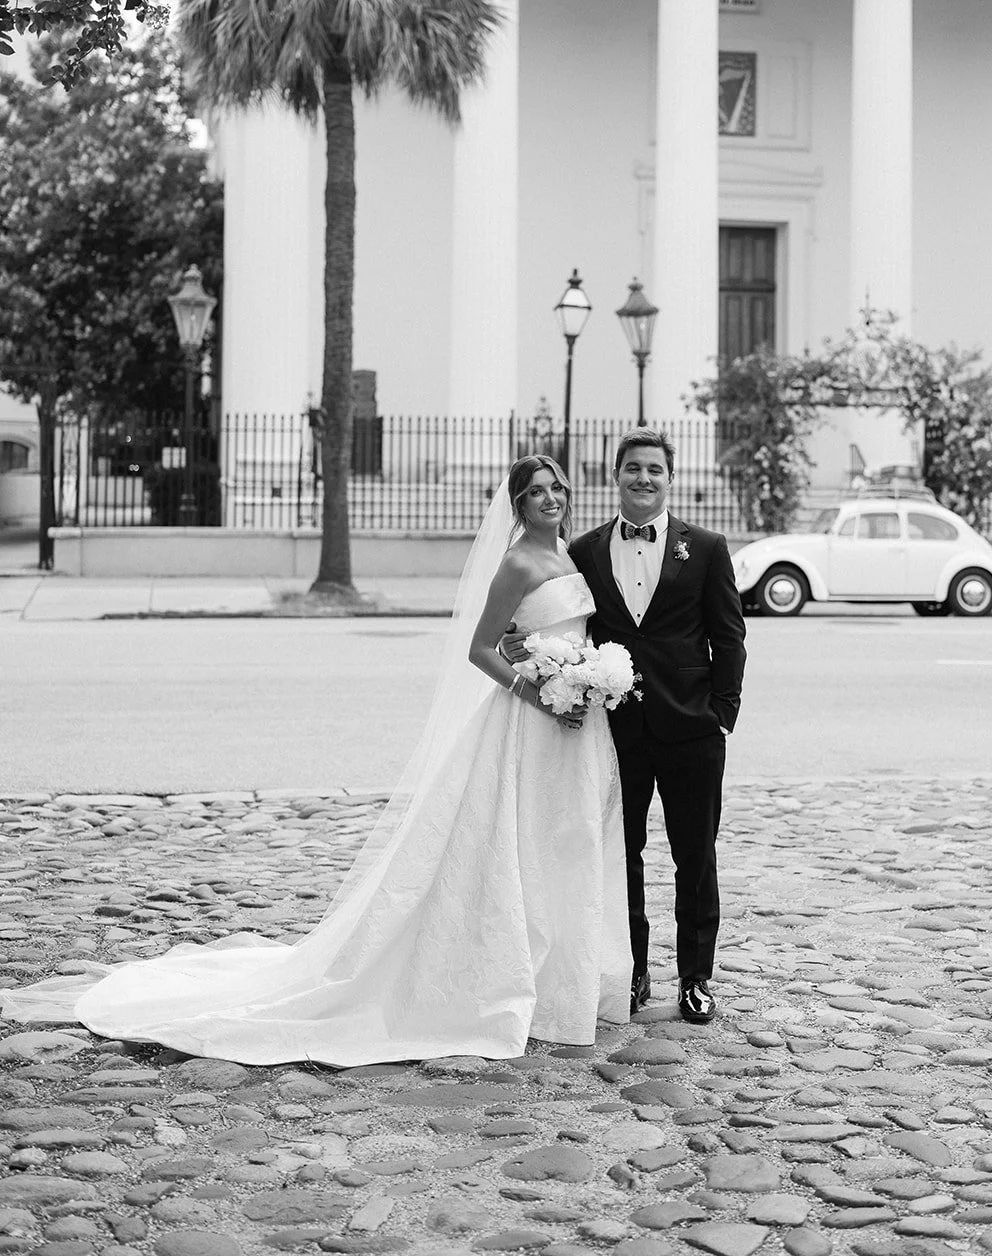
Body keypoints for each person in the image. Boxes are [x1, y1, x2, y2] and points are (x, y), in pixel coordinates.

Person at [0, 456, 631, 1064]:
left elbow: (558, 633)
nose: (551, 498)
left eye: (557, 488)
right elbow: (480, 648)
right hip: (529, 722)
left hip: (572, 725)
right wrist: (535, 687)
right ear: (518, 505)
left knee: (560, 846)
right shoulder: (518, 562)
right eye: (537, 491)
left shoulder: (566, 554)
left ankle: (557, 983)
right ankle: (499, 975)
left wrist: (583, 674)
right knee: (509, 848)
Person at [506, 427, 746, 1025]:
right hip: (616, 731)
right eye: (633, 468)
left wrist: (722, 713)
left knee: (696, 856)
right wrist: (520, 646)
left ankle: (696, 978)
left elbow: (730, 637)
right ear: (616, 477)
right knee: (622, 854)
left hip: (693, 730)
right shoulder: (581, 551)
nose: (644, 479)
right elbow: (558, 623)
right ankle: (633, 972)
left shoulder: (709, 548)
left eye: (654, 470)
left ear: (670, 478)